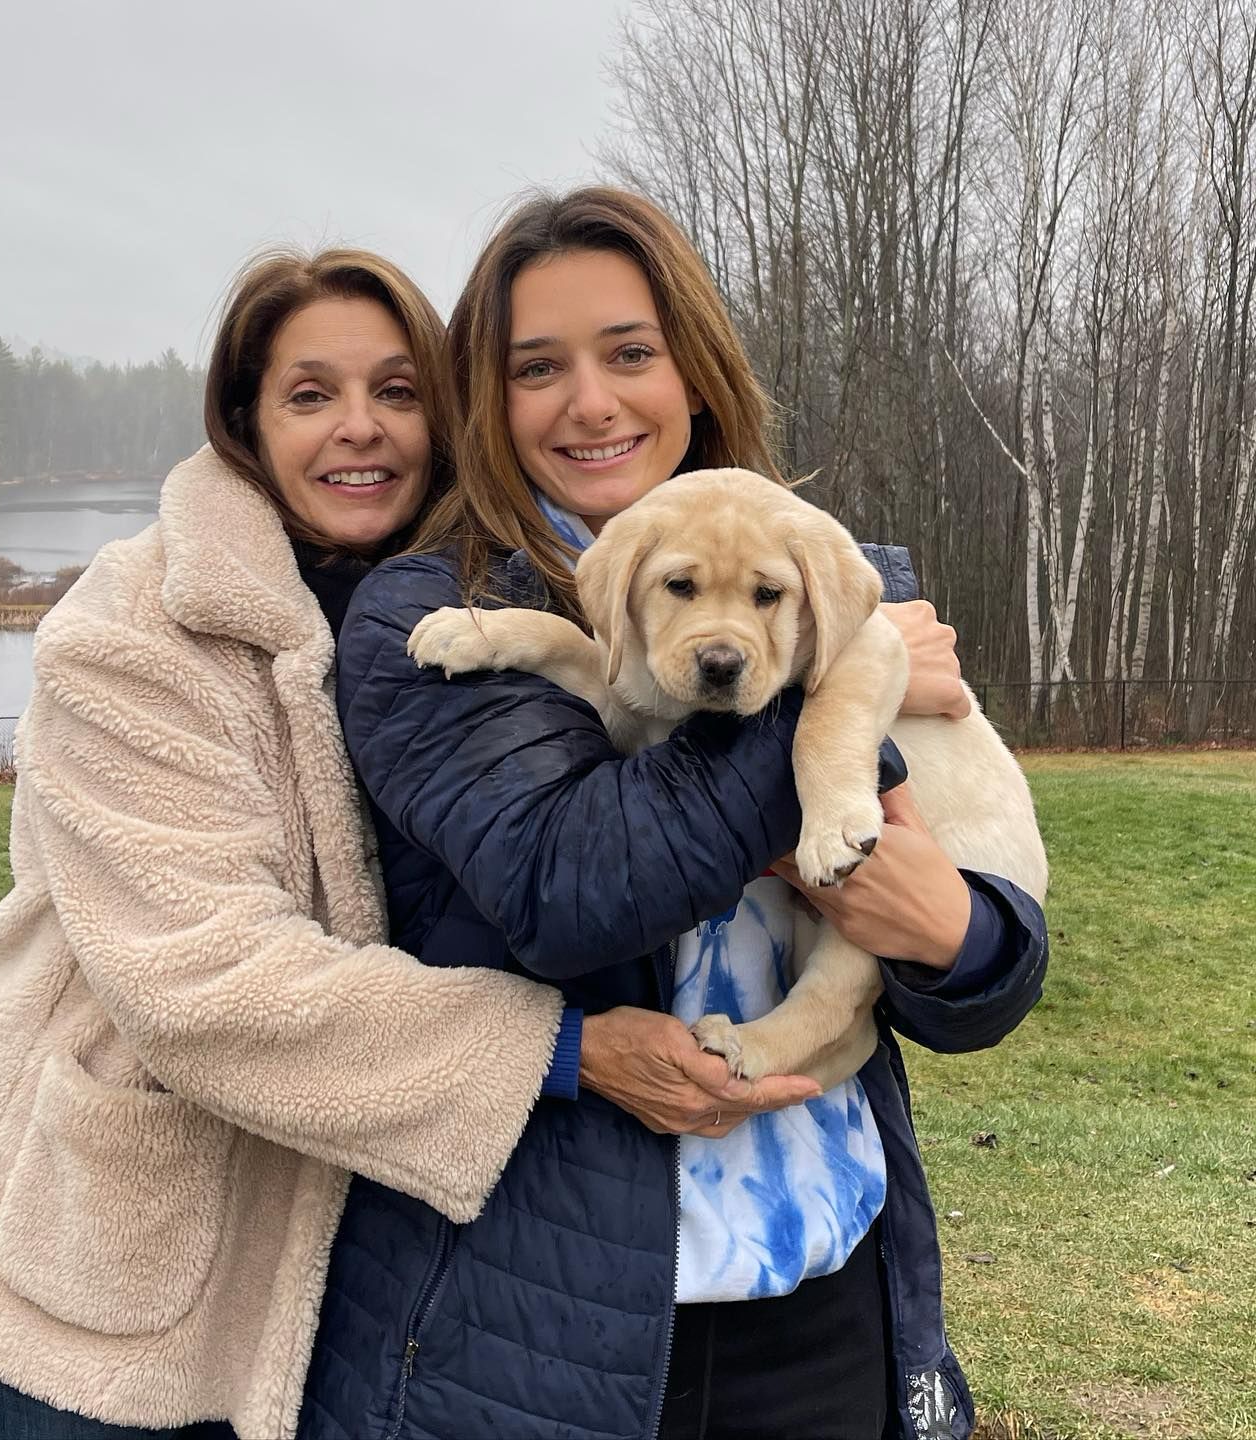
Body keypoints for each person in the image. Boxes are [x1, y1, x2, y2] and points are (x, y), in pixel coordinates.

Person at [0, 247, 759, 1440]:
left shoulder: (485, 602)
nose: (363, 431)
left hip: (334, 1273)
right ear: (244, 420)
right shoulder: (130, 632)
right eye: (310, 396)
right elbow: (201, 984)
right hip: (109, 1277)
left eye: (399, 392)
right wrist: (562, 1052)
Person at [297, 189, 1048, 1440]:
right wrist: (823, 686)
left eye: (631, 353)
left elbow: (977, 968)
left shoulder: (842, 570)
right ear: (490, 397)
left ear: (693, 372)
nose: (591, 402)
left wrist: (962, 940)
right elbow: (568, 892)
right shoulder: (425, 618)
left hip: (829, 1285)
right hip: (541, 1325)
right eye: (539, 367)